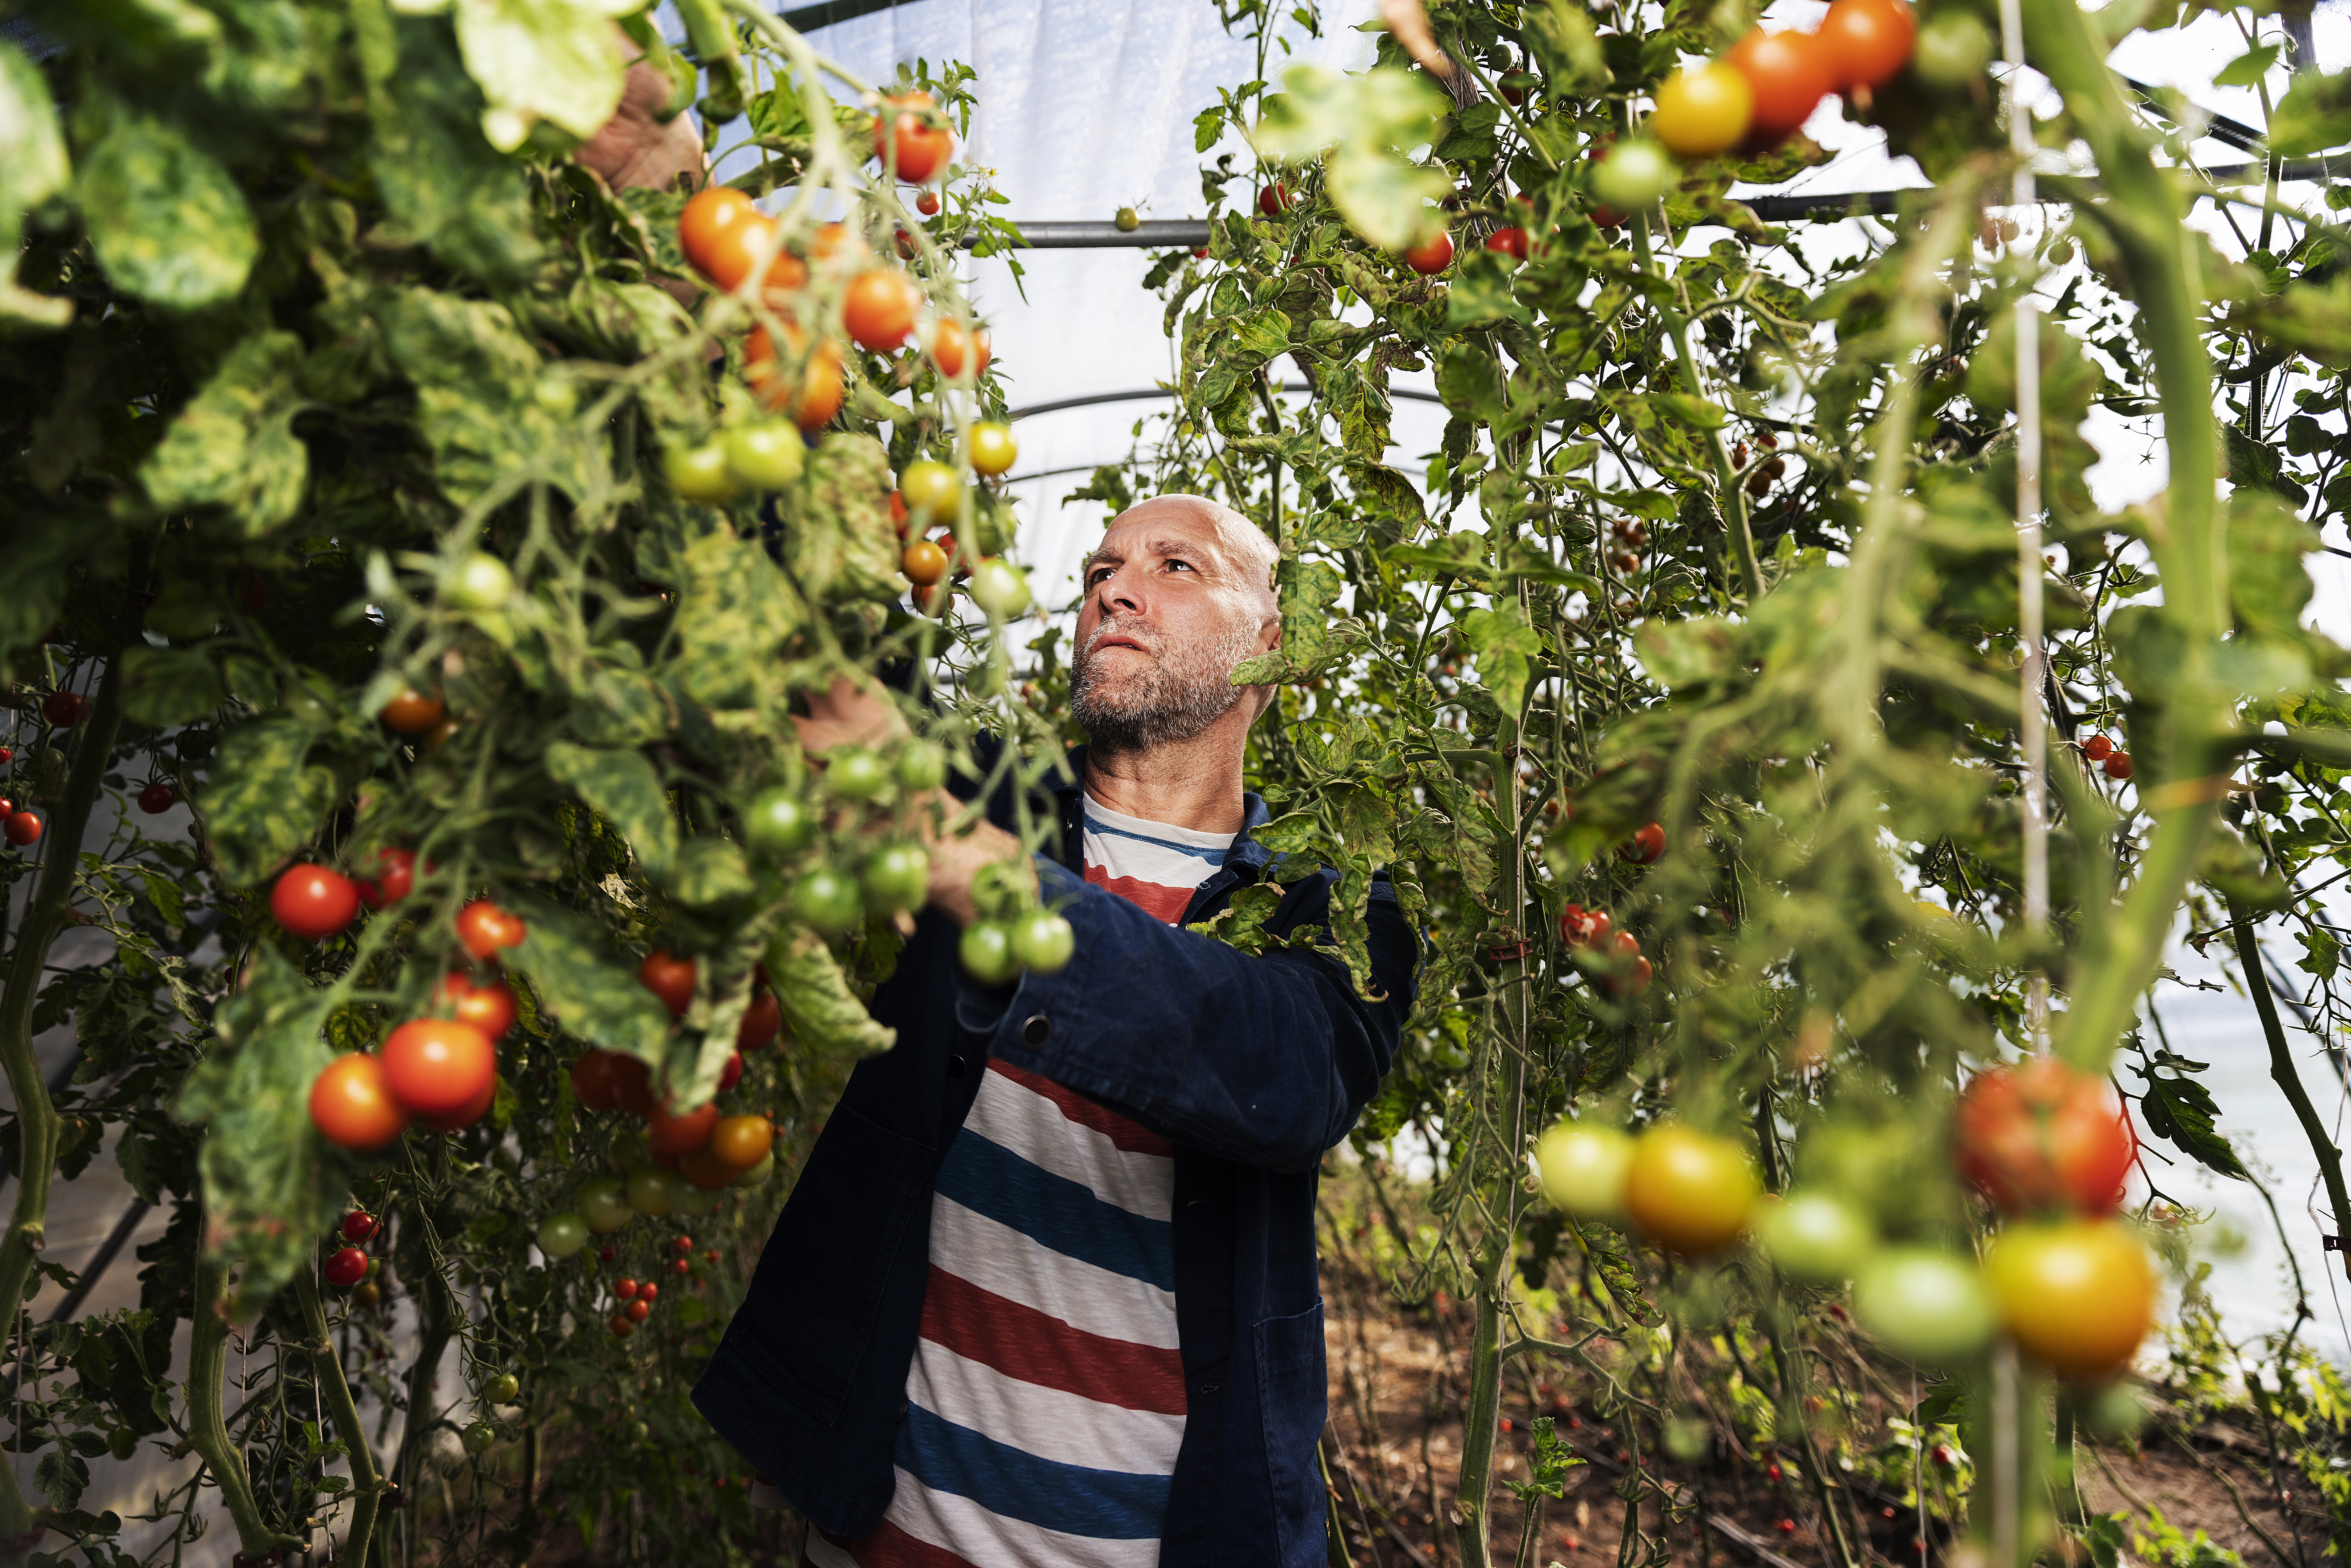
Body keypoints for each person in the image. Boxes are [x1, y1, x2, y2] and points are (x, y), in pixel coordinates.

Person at [693, 494, 1419, 1567]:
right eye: (1098, 570)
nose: (1114, 590)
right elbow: (828, 661)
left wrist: (947, 856)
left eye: (1176, 567)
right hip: (880, 1528)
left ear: (1272, 645)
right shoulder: (992, 801)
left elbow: (1281, 1074)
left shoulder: (1339, 910)